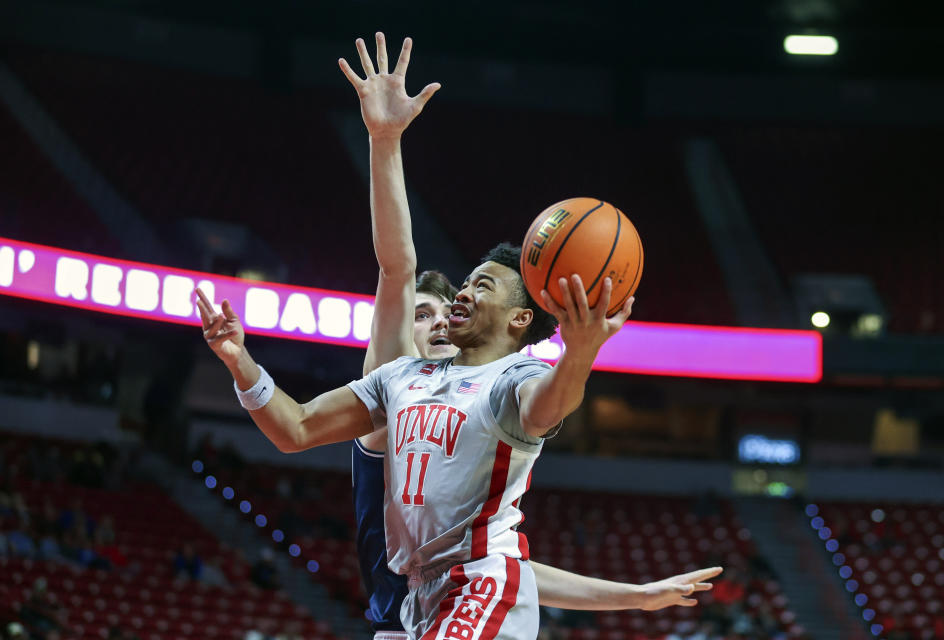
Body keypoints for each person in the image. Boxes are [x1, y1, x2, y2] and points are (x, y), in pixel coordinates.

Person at [196, 34, 717, 640]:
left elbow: (549, 404)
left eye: (485, 286)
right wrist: (239, 362)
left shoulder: (513, 381)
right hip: (421, 597)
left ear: (522, 320)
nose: (463, 293)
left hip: (482, 586)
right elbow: (298, 429)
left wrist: (580, 352)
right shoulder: (398, 379)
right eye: (466, 281)